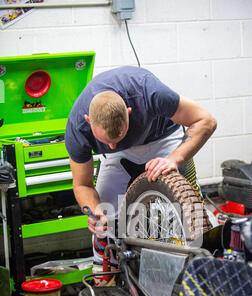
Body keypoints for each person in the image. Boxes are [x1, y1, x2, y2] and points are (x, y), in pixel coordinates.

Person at [65, 65, 217, 267]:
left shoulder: (147, 91)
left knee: (190, 208)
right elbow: (82, 185)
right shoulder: (77, 129)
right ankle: (105, 278)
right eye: (106, 141)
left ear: (129, 112)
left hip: (164, 137)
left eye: (118, 136)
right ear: (88, 121)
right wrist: (94, 211)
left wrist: (174, 159)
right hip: (117, 157)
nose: (111, 145)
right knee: (106, 216)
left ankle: (201, 270)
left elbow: (206, 120)